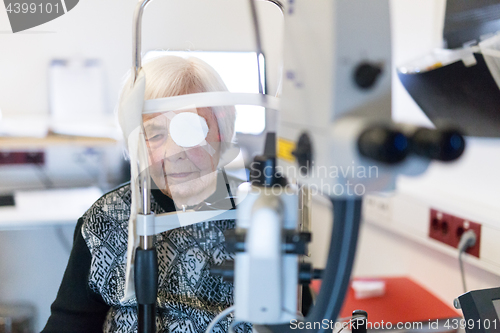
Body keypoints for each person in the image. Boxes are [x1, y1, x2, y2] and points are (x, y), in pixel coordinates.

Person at [42, 55, 248, 333]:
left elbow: (302, 319)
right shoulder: (107, 220)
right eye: (155, 134)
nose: (174, 154)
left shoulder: (261, 214)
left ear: (221, 130)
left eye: (191, 129)